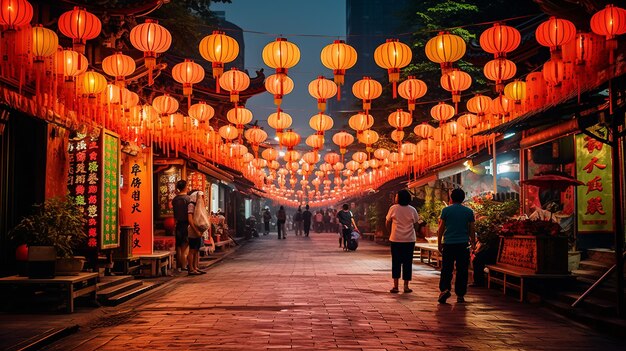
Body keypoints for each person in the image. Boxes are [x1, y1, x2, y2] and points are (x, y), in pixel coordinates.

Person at [437, 188, 476, 304]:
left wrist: (439, 242)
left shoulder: (446, 211)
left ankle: (444, 289)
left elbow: (441, 228)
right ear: (463, 198)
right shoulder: (469, 212)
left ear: (451, 198)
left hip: (448, 244)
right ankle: (460, 294)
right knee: (462, 270)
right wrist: (473, 242)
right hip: (463, 244)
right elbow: (472, 229)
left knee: (446, 269)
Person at [386, 189, 420, 293]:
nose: (395, 198)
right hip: (409, 239)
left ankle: (395, 286)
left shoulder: (393, 208)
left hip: (395, 239)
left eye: (396, 196)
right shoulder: (412, 209)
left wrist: (391, 232)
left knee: (396, 262)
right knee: (407, 262)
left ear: (399, 198)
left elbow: (387, 222)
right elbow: (416, 224)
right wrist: (414, 231)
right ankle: (406, 286)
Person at [187, 190, 208, 275]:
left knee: (196, 249)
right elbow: (190, 219)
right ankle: (191, 269)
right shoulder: (191, 205)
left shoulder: (199, 206)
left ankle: (195, 267)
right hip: (193, 230)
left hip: (199, 231)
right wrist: (196, 230)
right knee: (192, 250)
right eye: (200, 197)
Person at [171, 180, 190, 273]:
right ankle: (184, 265)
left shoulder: (175, 199)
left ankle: (178, 265)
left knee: (178, 245)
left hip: (178, 224)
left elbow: (174, 214)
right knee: (185, 245)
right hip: (186, 224)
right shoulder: (188, 199)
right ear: (185, 186)